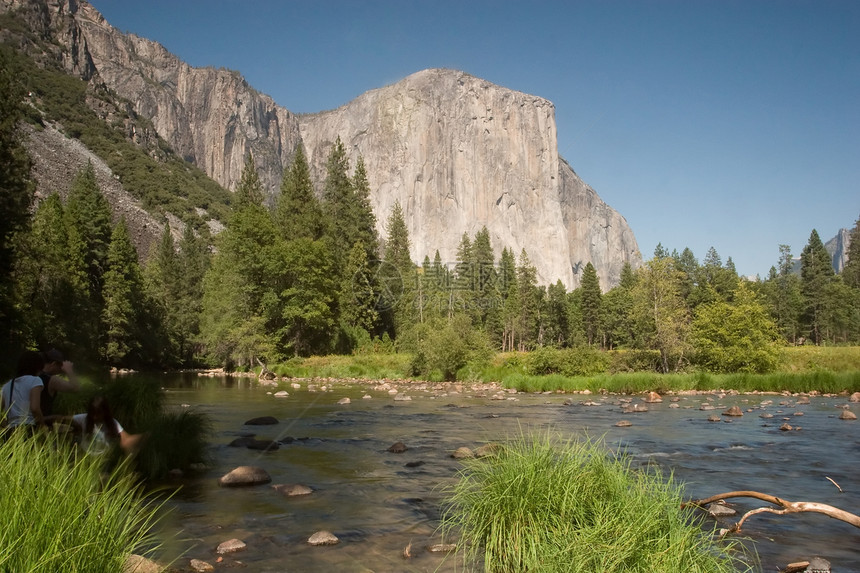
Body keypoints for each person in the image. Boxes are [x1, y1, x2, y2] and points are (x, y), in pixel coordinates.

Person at [69, 396, 142, 455]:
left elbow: (125, 438)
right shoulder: (84, 418)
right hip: (85, 455)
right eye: (92, 413)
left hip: (102, 458)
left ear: (105, 412)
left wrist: (132, 442)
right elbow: (65, 418)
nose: (95, 417)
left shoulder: (113, 423)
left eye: (98, 413)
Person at [1, 350, 45, 434]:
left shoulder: (7, 386)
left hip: (11, 430)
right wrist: (43, 426)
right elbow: (35, 408)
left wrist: (3, 423)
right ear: (37, 367)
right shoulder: (35, 380)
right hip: (29, 428)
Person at [38, 348, 80, 419]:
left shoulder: (34, 374)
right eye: (60, 366)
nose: (61, 369)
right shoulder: (51, 379)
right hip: (42, 421)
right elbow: (75, 388)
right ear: (53, 364)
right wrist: (69, 370)